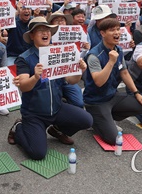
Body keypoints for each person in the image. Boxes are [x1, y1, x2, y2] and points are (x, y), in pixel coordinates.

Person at [7, 17, 92, 160]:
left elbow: (72, 81)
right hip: (34, 114)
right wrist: (35, 77)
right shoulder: (24, 58)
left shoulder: (58, 54)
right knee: (38, 153)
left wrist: (80, 70)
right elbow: (24, 86)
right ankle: (19, 128)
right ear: (32, 36)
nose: (45, 33)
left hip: (57, 109)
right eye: (40, 31)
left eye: (47, 30)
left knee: (87, 120)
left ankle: (57, 130)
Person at [83, 18, 142, 144]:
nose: (117, 33)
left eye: (118, 29)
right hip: (96, 101)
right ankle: (95, 119)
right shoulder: (94, 55)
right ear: (102, 33)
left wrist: (136, 93)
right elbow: (99, 82)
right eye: (112, 30)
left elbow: (124, 72)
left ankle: (107, 117)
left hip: (112, 96)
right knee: (114, 140)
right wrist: (111, 61)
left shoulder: (118, 49)